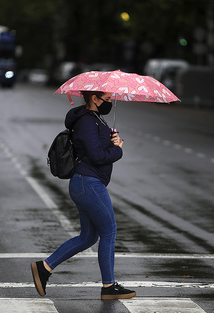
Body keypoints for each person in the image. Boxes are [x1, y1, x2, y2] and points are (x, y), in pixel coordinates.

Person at [31, 90, 136, 300]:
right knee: (109, 231)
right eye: (107, 99)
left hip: (86, 183)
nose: (110, 103)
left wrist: (111, 139)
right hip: (88, 183)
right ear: (94, 98)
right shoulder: (87, 121)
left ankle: (44, 267)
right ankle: (108, 286)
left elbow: (94, 147)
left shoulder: (94, 119)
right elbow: (97, 156)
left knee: (88, 237)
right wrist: (118, 150)